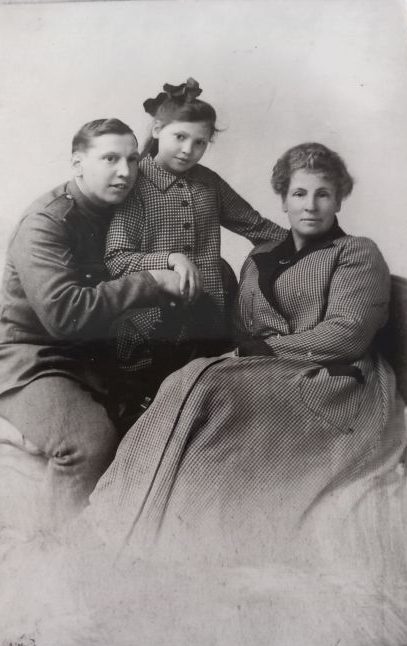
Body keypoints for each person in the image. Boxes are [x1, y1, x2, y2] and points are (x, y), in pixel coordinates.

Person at [88, 142, 406, 561]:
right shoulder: (260, 256)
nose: (310, 206)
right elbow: (240, 327)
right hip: (266, 371)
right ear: (283, 198)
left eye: (323, 194)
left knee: (216, 388)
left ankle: (177, 542)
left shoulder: (356, 253)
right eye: (299, 194)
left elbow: (346, 335)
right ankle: (121, 523)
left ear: (339, 199)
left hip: (337, 380)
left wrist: (265, 349)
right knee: (190, 379)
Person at [0, 118, 184, 525]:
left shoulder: (121, 213)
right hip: (24, 361)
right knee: (87, 442)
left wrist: (173, 259)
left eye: (132, 160)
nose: (125, 172)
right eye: (109, 158)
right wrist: (151, 280)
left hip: (90, 360)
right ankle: (56, 557)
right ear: (77, 164)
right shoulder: (46, 223)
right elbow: (65, 317)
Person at [104, 78, 285, 403]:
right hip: (150, 331)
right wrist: (169, 258)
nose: (189, 150)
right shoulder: (137, 185)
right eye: (180, 137)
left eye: (200, 143)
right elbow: (117, 258)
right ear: (158, 129)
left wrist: (313, 245)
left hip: (210, 324)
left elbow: (256, 227)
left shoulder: (208, 183)